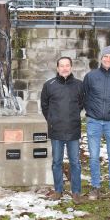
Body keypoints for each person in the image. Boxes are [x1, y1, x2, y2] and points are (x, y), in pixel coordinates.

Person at [83, 45, 110, 202]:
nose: (108, 59)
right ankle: (96, 186)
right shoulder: (91, 76)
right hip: (94, 121)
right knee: (94, 156)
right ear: (101, 58)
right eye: (105, 56)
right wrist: (91, 111)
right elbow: (85, 95)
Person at [41, 57, 84, 204]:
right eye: (62, 66)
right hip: (56, 131)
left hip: (73, 130)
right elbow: (44, 106)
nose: (65, 68)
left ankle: (76, 191)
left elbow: (81, 104)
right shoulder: (49, 85)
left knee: (75, 163)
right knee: (57, 162)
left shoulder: (79, 85)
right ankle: (58, 190)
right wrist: (52, 120)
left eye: (67, 66)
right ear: (57, 68)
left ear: (71, 67)